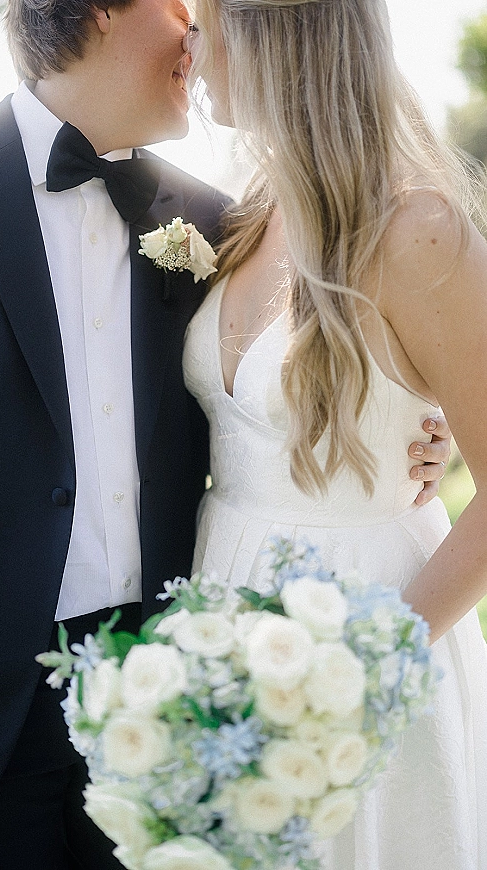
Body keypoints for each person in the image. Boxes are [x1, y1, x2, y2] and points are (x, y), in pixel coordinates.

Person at [0, 0, 449, 867]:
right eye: (178, 9)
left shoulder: (219, 222)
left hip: (171, 697)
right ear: (99, 12)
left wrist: (418, 429)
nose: (198, 35)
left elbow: (303, 376)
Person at [182, 0, 487, 867]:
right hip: (223, 605)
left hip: (374, 624)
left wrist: (362, 666)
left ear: (269, 33)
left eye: (206, 27)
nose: (192, 54)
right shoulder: (248, 212)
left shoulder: (417, 228)